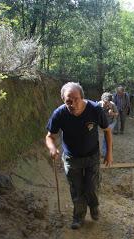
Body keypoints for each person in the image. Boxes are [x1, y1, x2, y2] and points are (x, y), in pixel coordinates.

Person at [45, 82, 113, 230]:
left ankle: (94, 206)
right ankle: (78, 216)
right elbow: (50, 136)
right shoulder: (59, 113)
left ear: (82, 97)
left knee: (92, 186)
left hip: (92, 157)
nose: (73, 103)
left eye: (76, 99)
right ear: (63, 99)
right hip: (71, 158)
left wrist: (109, 153)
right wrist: (52, 148)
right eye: (68, 100)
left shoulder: (95, 110)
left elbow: (107, 130)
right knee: (76, 189)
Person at [97, 92, 118, 158]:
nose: (105, 103)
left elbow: (117, 114)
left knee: (105, 137)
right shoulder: (98, 104)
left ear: (110, 101)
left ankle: (104, 153)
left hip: (111, 122)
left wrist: (112, 113)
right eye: (104, 102)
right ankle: (110, 148)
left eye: (107, 102)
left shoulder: (112, 105)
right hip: (104, 123)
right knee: (108, 137)